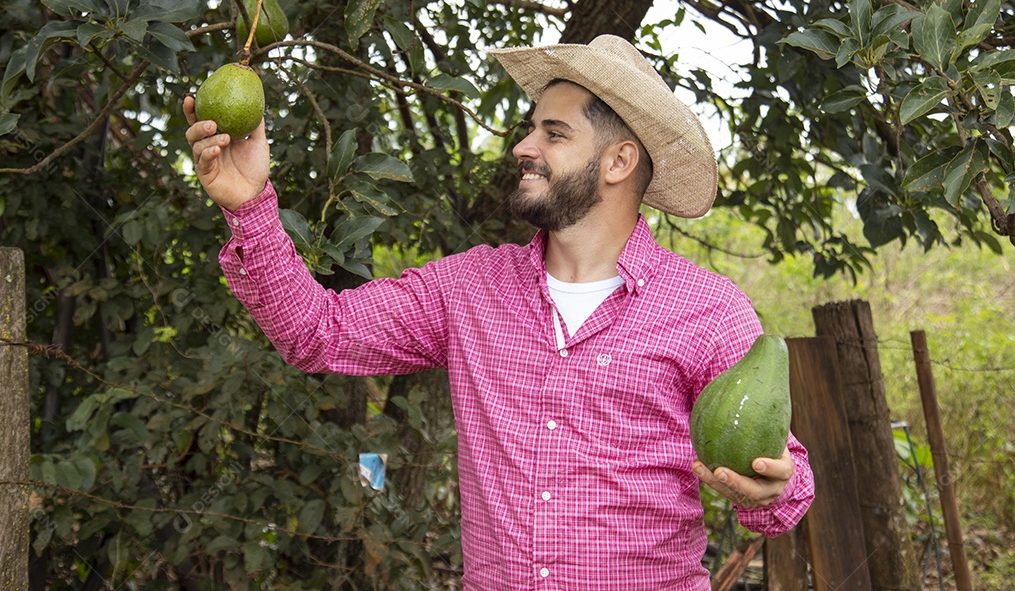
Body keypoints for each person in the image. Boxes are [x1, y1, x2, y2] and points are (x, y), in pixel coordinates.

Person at [183, 34, 814, 590]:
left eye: (554, 133)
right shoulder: (468, 290)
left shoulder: (708, 311)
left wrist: (773, 488)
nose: (523, 146)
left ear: (620, 162)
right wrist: (249, 204)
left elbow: (782, 484)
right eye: (530, 126)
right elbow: (316, 333)